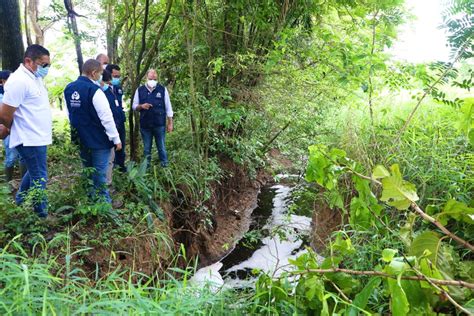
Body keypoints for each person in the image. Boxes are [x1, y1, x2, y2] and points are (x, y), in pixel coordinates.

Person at [0, 44, 52, 218]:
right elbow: (5, 113)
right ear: (28, 61)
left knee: (34, 172)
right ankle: (41, 216)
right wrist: (8, 128)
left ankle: (19, 203)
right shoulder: (18, 81)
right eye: (43, 64)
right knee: (40, 176)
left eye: (48, 65)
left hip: (38, 137)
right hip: (28, 138)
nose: (46, 68)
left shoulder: (34, 77)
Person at [64, 59, 122, 204]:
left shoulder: (69, 88)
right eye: (101, 73)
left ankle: (91, 201)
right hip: (99, 140)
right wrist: (116, 139)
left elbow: (70, 114)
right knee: (100, 174)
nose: (102, 77)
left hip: (81, 138)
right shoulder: (94, 91)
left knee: (88, 171)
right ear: (93, 73)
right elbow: (106, 118)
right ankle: (105, 207)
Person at [132, 69, 173, 167]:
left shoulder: (162, 89)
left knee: (161, 148)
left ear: (157, 78)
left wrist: (170, 123)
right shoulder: (140, 90)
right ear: (146, 77)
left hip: (159, 124)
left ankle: (165, 168)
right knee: (146, 149)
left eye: (154, 78)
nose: (152, 79)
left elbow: (168, 107)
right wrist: (141, 106)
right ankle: (147, 169)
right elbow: (134, 106)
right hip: (145, 125)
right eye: (150, 77)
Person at [0, 70, 26, 184]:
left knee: (22, 156)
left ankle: (24, 185)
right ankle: (7, 184)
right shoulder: (2, 95)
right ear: (2, 81)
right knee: (11, 156)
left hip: (19, 127)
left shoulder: (14, 92)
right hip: (6, 128)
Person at [105, 64, 126, 172]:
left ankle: (121, 168)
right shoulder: (103, 89)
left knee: (121, 146)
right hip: (109, 123)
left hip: (120, 121)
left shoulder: (118, 88)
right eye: (115, 76)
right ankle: (111, 172)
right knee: (110, 149)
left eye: (118, 76)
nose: (117, 78)